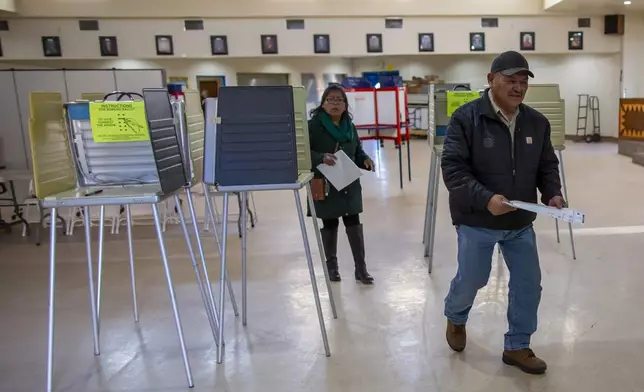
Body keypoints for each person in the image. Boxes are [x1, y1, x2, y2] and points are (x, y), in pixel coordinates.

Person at [441, 51, 565, 374]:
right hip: (477, 219)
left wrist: (552, 193)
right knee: (472, 279)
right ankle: (455, 316)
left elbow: (546, 165)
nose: (518, 88)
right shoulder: (466, 119)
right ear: (490, 80)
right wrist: (486, 199)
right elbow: (453, 170)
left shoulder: (537, 123)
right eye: (511, 80)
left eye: (523, 82)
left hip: (520, 222)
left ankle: (518, 345)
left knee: (528, 282)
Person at [309, 84, 375, 285]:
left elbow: (357, 151)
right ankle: (332, 268)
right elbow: (302, 153)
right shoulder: (313, 126)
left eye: (339, 100)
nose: (335, 104)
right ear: (323, 103)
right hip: (325, 181)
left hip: (348, 180)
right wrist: (321, 157)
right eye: (331, 99)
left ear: (346, 105)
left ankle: (360, 269)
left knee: (353, 221)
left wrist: (364, 159)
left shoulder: (349, 126)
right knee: (329, 222)